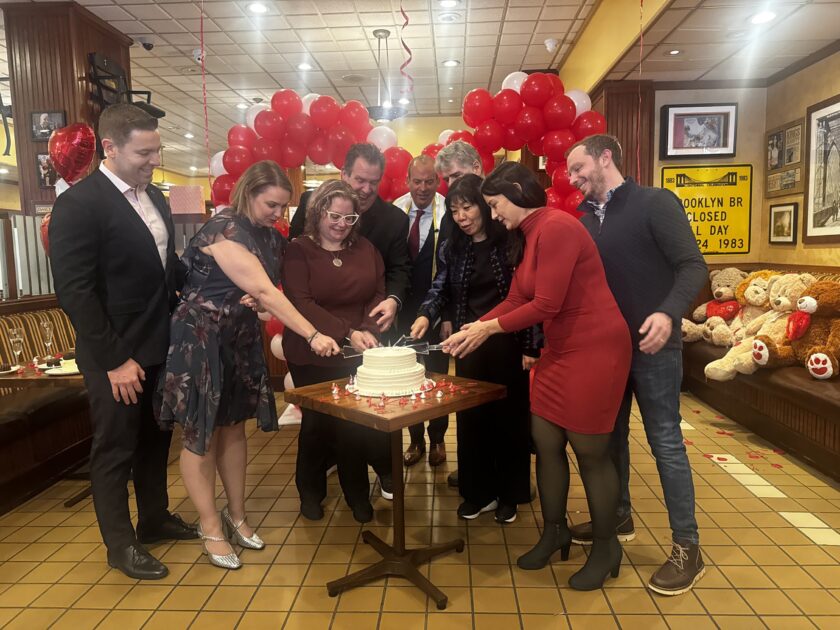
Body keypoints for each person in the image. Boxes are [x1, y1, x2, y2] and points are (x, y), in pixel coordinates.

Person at [443, 162, 632, 591]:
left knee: (590, 451)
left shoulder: (558, 227)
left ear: (516, 191)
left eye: (494, 205)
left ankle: (606, 547)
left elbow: (545, 304)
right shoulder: (528, 234)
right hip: (560, 350)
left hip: (595, 349)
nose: (493, 216)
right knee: (546, 441)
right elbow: (516, 297)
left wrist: (489, 328)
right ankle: (554, 531)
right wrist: (474, 328)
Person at [157, 161, 339, 570]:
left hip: (237, 338)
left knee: (234, 427)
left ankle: (236, 515)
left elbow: (259, 294)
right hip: (200, 338)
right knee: (201, 433)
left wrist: (256, 305)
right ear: (248, 193)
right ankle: (210, 526)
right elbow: (261, 287)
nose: (278, 213)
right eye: (271, 204)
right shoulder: (224, 230)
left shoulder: (270, 238)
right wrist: (311, 334)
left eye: (283, 206)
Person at [49, 104, 198, 580]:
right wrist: (115, 359)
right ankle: (120, 544)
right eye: (144, 152)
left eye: (157, 150)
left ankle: (153, 519)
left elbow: (164, 269)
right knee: (115, 449)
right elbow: (75, 292)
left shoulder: (152, 196)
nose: (153, 160)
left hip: (158, 343)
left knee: (156, 441)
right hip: (113, 353)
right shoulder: (79, 204)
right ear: (109, 148)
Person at [565, 134, 708, 595]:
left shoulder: (655, 203)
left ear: (606, 157)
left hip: (654, 348)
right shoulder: (583, 219)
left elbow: (692, 266)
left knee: (665, 441)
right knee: (610, 439)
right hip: (605, 350)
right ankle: (619, 515)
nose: (572, 178)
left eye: (577, 167)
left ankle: (688, 547)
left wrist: (668, 313)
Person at [411, 174, 536, 523]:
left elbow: (529, 297)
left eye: (468, 208)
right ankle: (477, 492)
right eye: (454, 210)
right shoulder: (453, 245)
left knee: (510, 419)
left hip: (507, 341)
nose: (462, 216)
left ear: (484, 206)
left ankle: (509, 494)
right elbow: (441, 287)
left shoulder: (511, 241)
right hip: (468, 343)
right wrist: (426, 313)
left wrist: (531, 345)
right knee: (471, 420)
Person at [288, 143, 411, 498]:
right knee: (320, 422)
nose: (366, 189)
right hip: (316, 338)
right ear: (344, 175)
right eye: (360, 179)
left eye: (374, 181)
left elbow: (396, 272)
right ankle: (321, 482)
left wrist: (390, 301)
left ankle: (379, 474)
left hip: (366, 335)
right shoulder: (311, 208)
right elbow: (298, 284)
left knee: (368, 417)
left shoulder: (392, 221)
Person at [282, 180, 386, 523]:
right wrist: (348, 332)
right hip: (311, 352)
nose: (342, 224)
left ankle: (357, 495)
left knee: (352, 427)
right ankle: (310, 493)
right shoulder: (298, 249)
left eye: (349, 218)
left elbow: (376, 292)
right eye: (334, 216)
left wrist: (368, 329)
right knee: (317, 425)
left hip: (355, 353)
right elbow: (301, 302)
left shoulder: (366, 248)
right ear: (318, 213)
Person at [433, 140, 485, 488]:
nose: (452, 185)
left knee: (501, 410)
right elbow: (445, 274)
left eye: (457, 176)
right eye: (448, 180)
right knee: (468, 406)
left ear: (478, 168)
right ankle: (472, 472)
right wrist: (440, 313)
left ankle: (503, 480)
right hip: (465, 328)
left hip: (501, 329)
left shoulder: (503, 206)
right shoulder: (453, 220)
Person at [393, 156, 450, 467]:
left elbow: (453, 271)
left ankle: (438, 438)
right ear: (408, 180)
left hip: (438, 310)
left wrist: (450, 315)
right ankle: (415, 440)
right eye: (418, 181)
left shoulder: (449, 212)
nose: (424, 187)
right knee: (408, 377)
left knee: (437, 377)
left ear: (437, 181)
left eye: (430, 181)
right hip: (401, 313)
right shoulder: (395, 210)